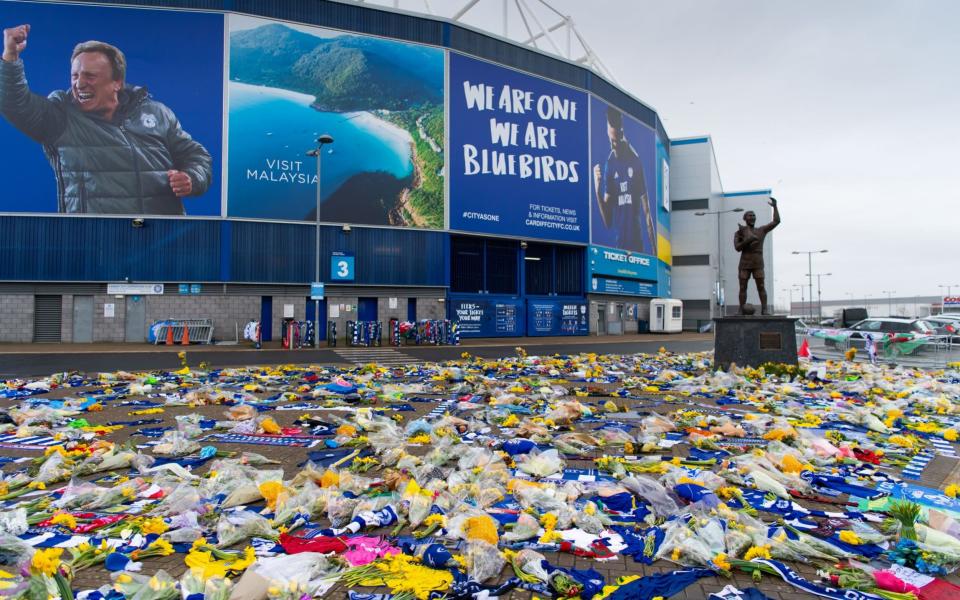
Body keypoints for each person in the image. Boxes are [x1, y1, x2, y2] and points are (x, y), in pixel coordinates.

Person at [0, 24, 212, 215]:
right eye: (75, 76)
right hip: (95, 240)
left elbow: (197, 156)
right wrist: (10, 57)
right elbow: (14, 104)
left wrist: (192, 178)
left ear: (117, 82)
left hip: (160, 240)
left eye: (90, 76)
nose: (79, 84)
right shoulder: (60, 116)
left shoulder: (157, 113)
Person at [593, 106, 656, 254]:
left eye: (615, 141)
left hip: (637, 247)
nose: (613, 145)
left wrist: (654, 255)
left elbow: (647, 213)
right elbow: (608, 222)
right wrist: (597, 190)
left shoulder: (635, 161)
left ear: (622, 133)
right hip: (619, 248)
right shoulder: (610, 164)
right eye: (610, 140)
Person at [734, 197, 780, 315]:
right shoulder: (740, 232)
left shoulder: (761, 230)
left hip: (758, 262)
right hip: (744, 263)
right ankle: (740, 309)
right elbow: (737, 248)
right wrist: (748, 240)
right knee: (743, 287)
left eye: (754, 215)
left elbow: (776, 221)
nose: (752, 217)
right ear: (745, 218)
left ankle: (764, 309)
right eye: (750, 215)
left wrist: (775, 207)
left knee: (761, 286)